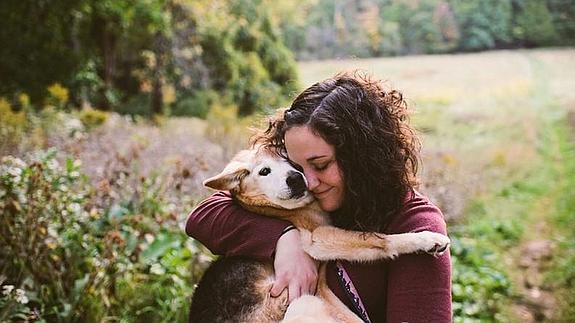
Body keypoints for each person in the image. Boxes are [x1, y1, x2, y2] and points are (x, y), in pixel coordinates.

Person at [186, 72, 452, 322]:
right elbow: (202, 216)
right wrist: (284, 240)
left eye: (321, 165)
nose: (308, 183)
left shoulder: (416, 224)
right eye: (296, 168)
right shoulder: (299, 201)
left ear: (362, 159)